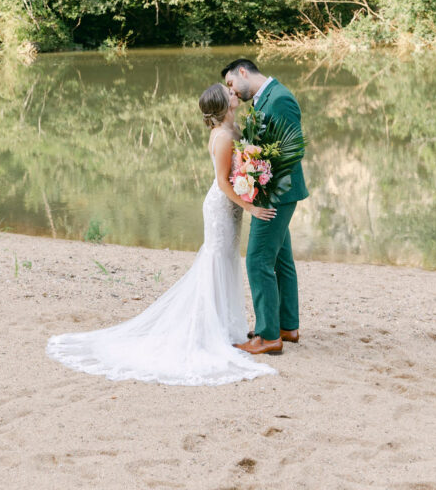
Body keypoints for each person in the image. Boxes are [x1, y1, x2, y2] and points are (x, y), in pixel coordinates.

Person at [45, 83, 277, 385]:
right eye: (229, 92)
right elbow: (222, 182)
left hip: (231, 207)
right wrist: (251, 208)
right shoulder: (221, 137)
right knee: (216, 260)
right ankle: (209, 330)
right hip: (222, 208)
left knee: (227, 260)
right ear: (224, 105)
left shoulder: (234, 130)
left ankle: (225, 328)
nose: (235, 92)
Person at [222, 58, 308, 356]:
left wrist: (256, 174)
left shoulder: (280, 99)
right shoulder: (265, 99)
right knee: (281, 259)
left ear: (243, 72)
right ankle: (287, 326)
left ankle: (268, 336)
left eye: (232, 83)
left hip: (276, 194)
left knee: (257, 260)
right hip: (273, 192)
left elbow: (293, 150)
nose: (232, 90)